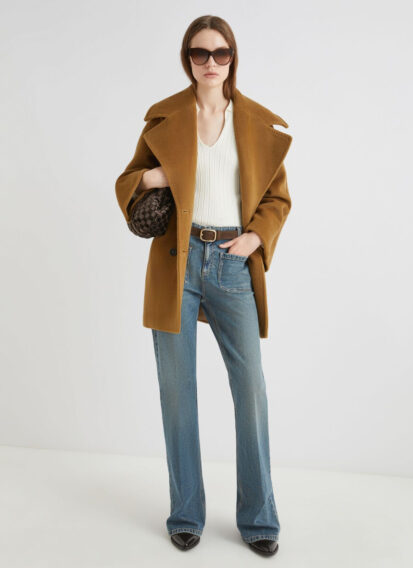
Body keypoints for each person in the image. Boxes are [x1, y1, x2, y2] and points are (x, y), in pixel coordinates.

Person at [115, 15, 293, 557]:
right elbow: (128, 182)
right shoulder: (166, 118)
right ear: (187, 59)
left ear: (233, 58)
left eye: (220, 53)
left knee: (251, 391)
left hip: (233, 264)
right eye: (199, 53)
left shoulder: (257, 122)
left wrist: (255, 238)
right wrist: (157, 175)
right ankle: (186, 513)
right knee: (177, 393)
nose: (210, 63)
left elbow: (277, 198)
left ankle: (259, 518)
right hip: (178, 260)